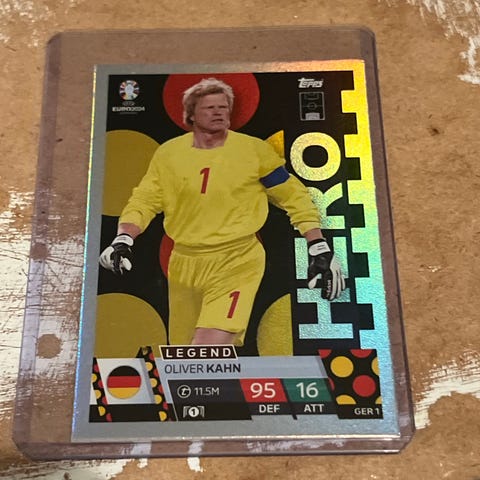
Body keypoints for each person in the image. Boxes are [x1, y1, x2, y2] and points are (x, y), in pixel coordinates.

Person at [100, 77, 345, 346]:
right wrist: (123, 238)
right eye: (210, 108)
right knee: (184, 355)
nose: (218, 112)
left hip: (237, 260)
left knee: (207, 346)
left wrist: (318, 246)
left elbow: (293, 196)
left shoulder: (253, 151)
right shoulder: (169, 154)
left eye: (223, 107)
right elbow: (145, 200)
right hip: (183, 262)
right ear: (191, 114)